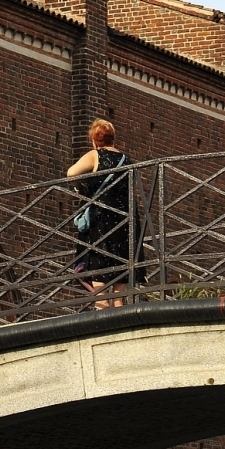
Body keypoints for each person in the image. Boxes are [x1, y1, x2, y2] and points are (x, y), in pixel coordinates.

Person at [67, 118, 139, 308]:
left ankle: (101, 310)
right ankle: (118, 311)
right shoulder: (127, 160)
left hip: (102, 219)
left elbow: (71, 173)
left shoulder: (95, 156)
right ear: (112, 138)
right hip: (124, 219)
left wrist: (81, 189)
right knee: (119, 292)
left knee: (99, 272)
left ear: (93, 140)